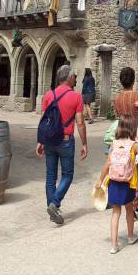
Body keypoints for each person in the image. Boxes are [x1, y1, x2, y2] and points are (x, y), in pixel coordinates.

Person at [95, 115, 138, 254]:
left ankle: (114, 245)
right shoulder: (134, 145)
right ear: (133, 128)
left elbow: (107, 164)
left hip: (113, 182)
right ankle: (131, 237)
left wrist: (100, 180)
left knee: (115, 212)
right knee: (129, 210)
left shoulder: (114, 144)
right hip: (128, 183)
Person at [36, 65, 88, 225]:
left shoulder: (48, 95)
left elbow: (45, 121)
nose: (76, 79)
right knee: (67, 175)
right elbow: (80, 123)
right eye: (74, 76)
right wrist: (84, 143)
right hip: (65, 140)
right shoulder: (76, 96)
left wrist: (41, 141)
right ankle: (55, 203)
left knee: (51, 176)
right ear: (69, 78)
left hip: (50, 140)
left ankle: (52, 208)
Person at [111, 68, 138, 215]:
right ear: (134, 80)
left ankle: (133, 203)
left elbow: (118, 118)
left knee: (127, 171)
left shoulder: (116, 99)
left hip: (123, 137)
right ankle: (135, 203)